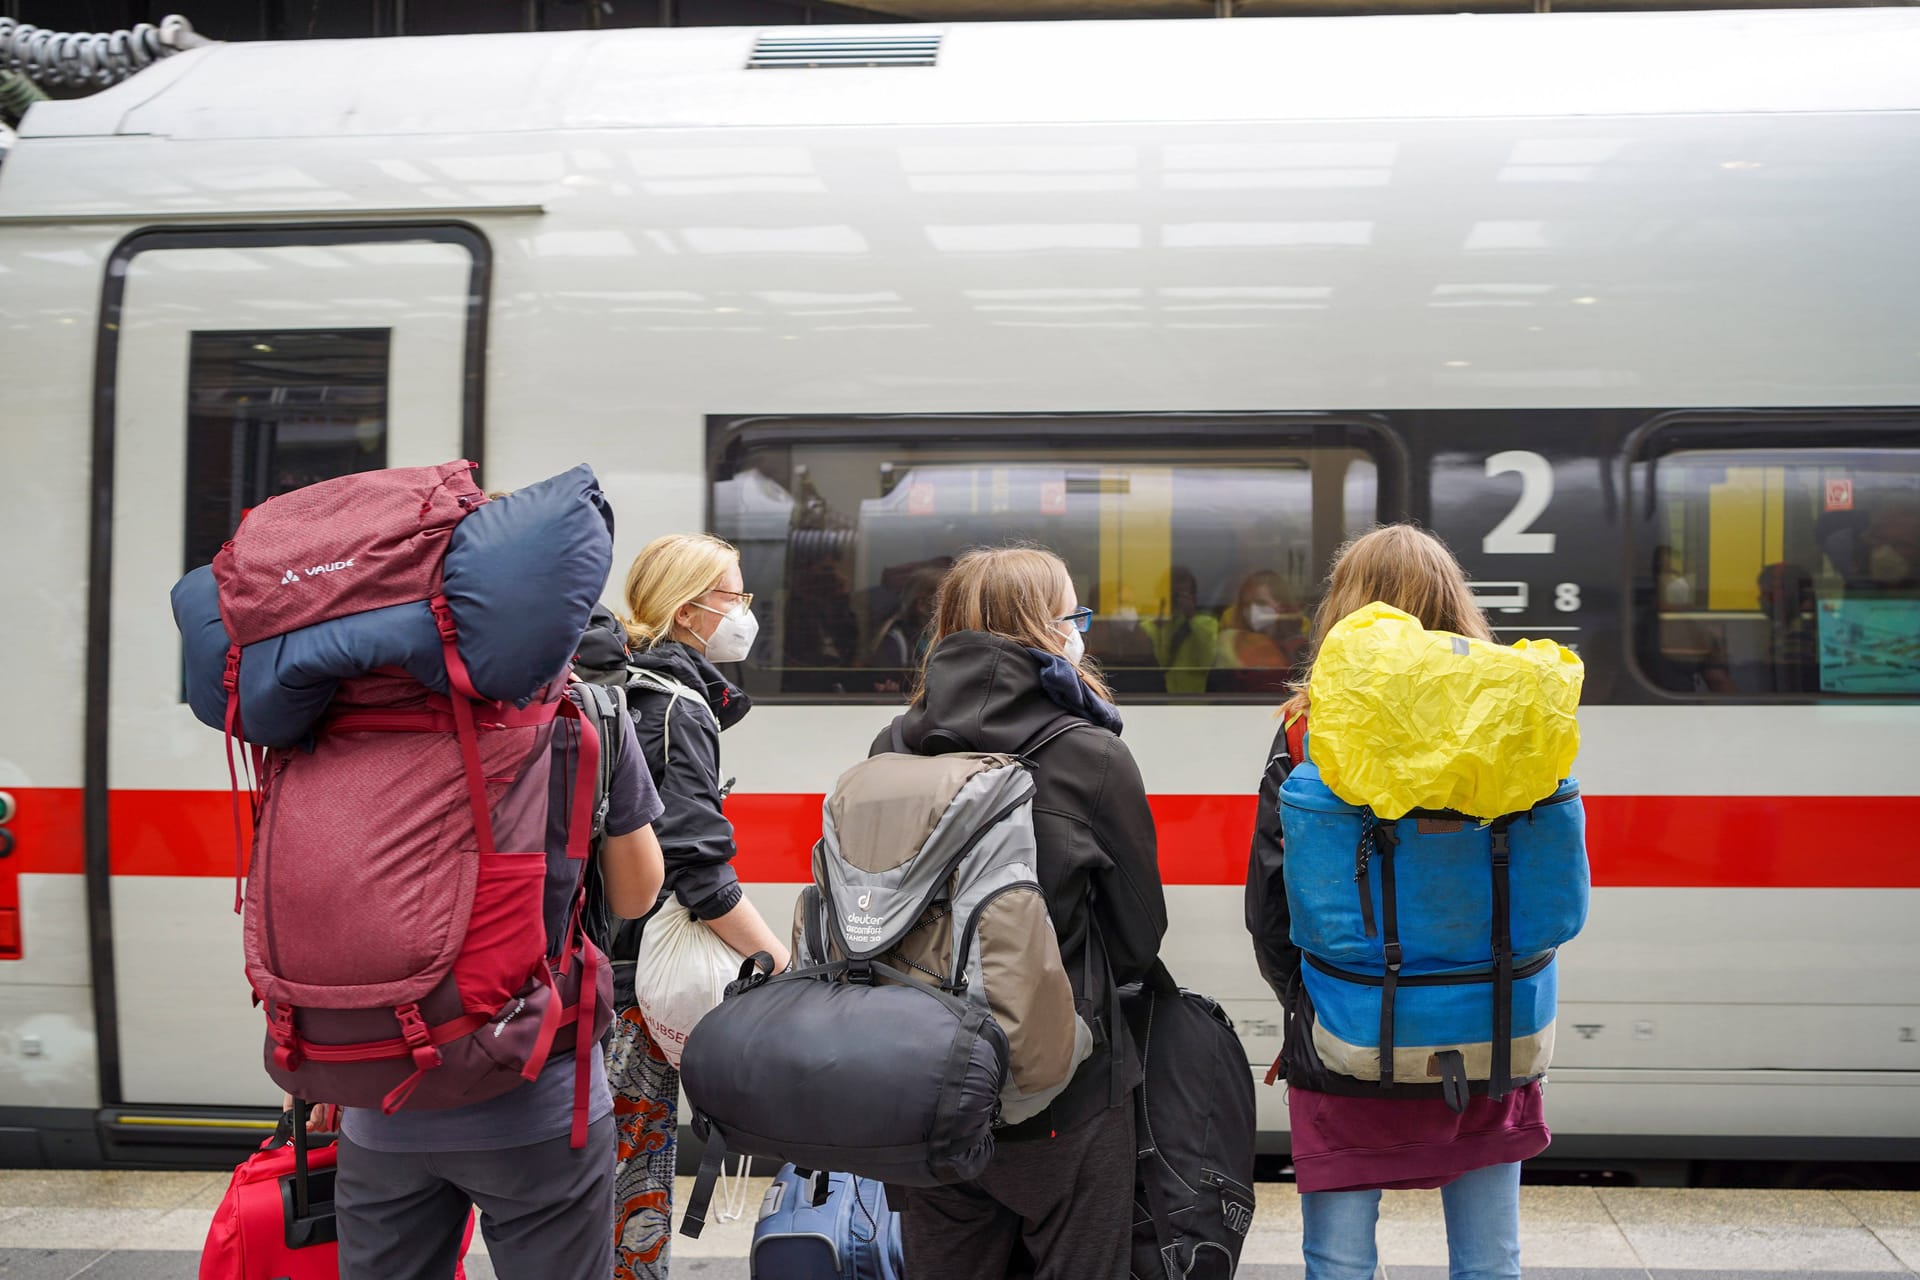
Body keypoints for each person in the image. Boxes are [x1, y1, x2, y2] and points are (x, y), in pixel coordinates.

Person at [1245, 525, 1548, 1280]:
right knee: (1491, 1260)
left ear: (1347, 609)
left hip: (1351, 1025)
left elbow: (1271, 904)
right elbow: (1545, 884)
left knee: (1339, 1261)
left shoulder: (1310, 726)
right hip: (1491, 1026)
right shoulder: (1517, 715)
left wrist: (1306, 1006)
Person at [878, 546, 1167, 1280]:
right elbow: (1138, 936)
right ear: (1044, 627)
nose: (1082, 630)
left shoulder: (892, 745)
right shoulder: (1091, 755)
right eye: (1075, 615)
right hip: (1067, 1085)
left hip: (922, 1076)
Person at [333, 679, 668, 1280]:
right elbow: (634, 895)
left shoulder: (354, 700)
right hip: (538, 1096)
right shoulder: (585, 710)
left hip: (377, 1089)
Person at [609, 532, 793, 1277]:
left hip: (599, 964)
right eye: (734, 597)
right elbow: (700, 871)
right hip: (632, 988)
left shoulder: (621, 685)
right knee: (634, 1177)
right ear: (689, 612)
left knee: (603, 1175)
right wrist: (776, 962)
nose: (745, 613)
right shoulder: (675, 704)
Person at [1214, 569, 1308, 693]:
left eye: (1260, 603)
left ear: (1281, 606)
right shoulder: (1229, 642)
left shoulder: (1300, 649)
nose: (1253, 610)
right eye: (1247, 604)